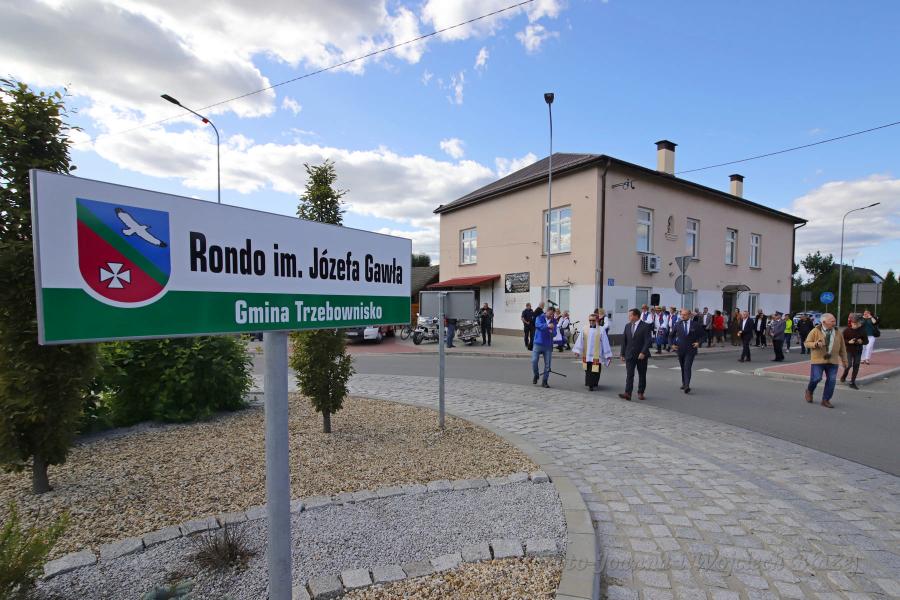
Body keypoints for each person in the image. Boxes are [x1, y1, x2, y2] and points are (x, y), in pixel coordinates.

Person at [804, 313, 848, 408]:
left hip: (833, 361)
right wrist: (815, 344)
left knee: (831, 380)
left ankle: (826, 400)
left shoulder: (838, 332)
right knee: (816, 378)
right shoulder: (815, 331)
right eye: (832, 321)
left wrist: (844, 360)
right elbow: (806, 343)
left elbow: (843, 348)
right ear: (824, 322)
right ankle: (809, 391)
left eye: (834, 321)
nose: (834, 323)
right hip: (818, 360)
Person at [619, 308, 653, 401]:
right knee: (629, 374)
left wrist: (643, 352)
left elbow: (648, 341)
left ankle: (640, 392)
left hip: (641, 355)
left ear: (636, 316)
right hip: (629, 354)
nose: (628, 317)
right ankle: (628, 393)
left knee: (642, 374)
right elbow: (624, 341)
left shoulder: (645, 326)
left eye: (630, 315)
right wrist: (622, 353)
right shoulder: (627, 326)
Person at [573, 313, 613, 391]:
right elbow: (580, 340)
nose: (591, 322)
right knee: (588, 370)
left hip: (597, 355)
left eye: (593, 320)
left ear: (597, 320)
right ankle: (590, 384)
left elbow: (605, 342)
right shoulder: (585, 329)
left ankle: (594, 383)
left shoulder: (601, 329)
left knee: (596, 370)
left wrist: (607, 354)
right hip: (587, 354)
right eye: (590, 320)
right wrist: (577, 351)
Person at [672, 308, 703, 393]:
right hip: (680, 349)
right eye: (681, 314)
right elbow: (671, 336)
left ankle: (687, 386)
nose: (683, 316)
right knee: (683, 367)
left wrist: (698, 343)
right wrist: (672, 344)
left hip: (691, 350)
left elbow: (703, 335)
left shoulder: (695, 324)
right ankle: (684, 383)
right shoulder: (677, 324)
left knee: (687, 367)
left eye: (684, 314)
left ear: (689, 315)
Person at [841, 313, 868, 390]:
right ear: (851, 323)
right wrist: (849, 342)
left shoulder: (862, 331)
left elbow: (866, 341)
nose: (856, 325)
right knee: (849, 364)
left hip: (858, 350)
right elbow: (841, 341)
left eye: (858, 323)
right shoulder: (846, 330)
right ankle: (844, 375)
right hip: (848, 350)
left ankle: (852, 382)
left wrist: (861, 341)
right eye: (854, 323)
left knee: (856, 365)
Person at [532, 306, 555, 388]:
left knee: (548, 365)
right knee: (534, 361)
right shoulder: (539, 317)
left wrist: (552, 331)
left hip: (548, 345)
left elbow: (555, 333)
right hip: (538, 343)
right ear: (546, 311)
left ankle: (545, 381)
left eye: (552, 314)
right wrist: (547, 326)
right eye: (550, 314)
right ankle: (536, 374)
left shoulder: (554, 321)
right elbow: (538, 326)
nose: (551, 316)